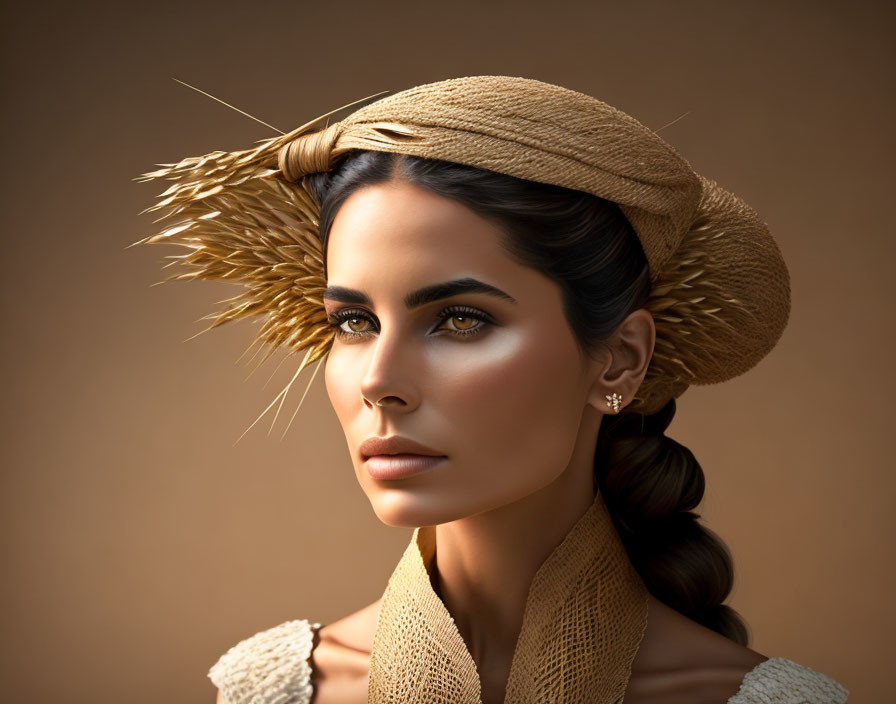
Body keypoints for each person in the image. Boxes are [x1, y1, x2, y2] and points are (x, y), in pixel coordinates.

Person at [132, 75, 849, 703]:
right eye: (353, 320)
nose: (379, 381)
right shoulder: (278, 691)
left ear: (619, 362)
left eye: (461, 319)